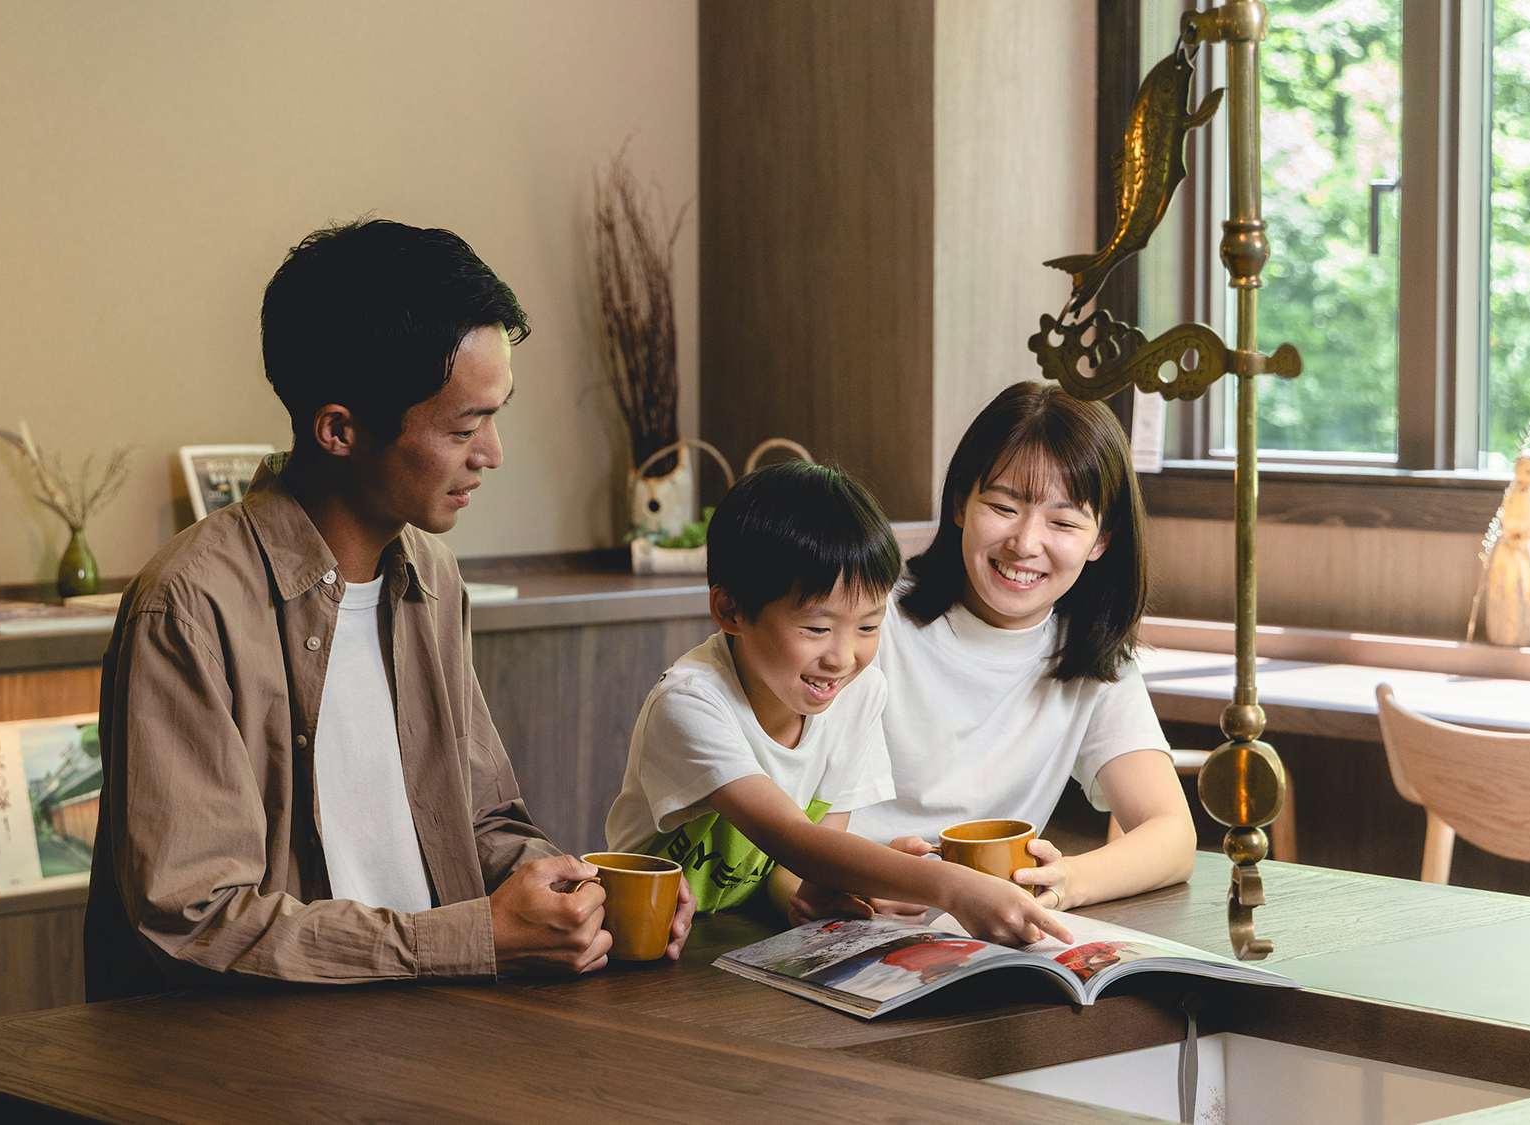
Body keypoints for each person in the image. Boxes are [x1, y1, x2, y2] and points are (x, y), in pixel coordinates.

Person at [85, 219, 693, 1000]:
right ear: (339, 430)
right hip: (258, 1048)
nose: (493, 453)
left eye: (495, 415)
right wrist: (470, 938)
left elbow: (483, 823)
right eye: (465, 427)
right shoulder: (189, 607)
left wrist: (581, 895)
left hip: (437, 1019)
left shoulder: (430, 577)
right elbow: (196, 919)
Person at [604, 461, 1073, 946]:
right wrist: (955, 887)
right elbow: (795, 839)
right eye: (816, 628)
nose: (843, 658)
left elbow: (803, 863)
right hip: (640, 942)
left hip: (735, 940)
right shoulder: (691, 702)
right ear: (730, 609)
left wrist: (805, 897)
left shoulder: (858, 695)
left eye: (868, 626)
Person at [781, 381, 1194, 926]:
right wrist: (855, 886)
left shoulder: (1090, 656)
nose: (1024, 543)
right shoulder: (867, 625)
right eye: (1003, 507)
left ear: (1101, 540)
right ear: (960, 503)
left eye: (1063, 522)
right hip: (840, 917)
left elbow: (1172, 835)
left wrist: (1063, 882)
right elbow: (771, 817)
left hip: (973, 937)